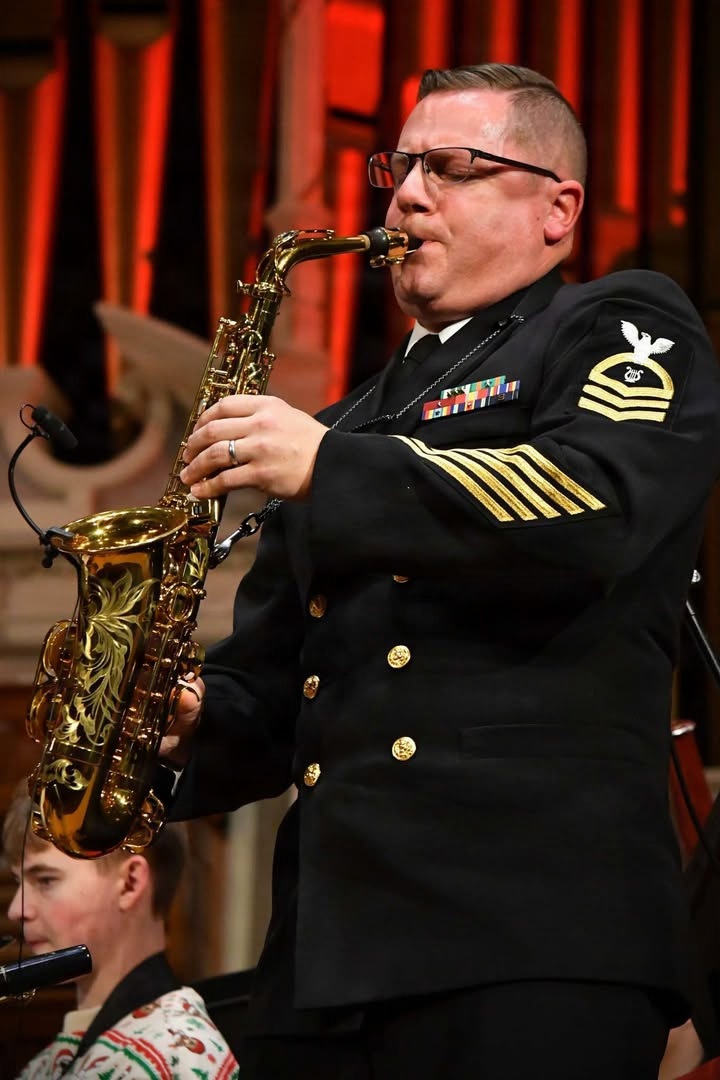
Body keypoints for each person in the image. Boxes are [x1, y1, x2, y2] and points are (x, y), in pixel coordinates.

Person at [166, 62, 720, 1078]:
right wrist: (193, 718)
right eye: (400, 166)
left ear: (558, 210)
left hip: (533, 943)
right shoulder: (345, 424)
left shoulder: (618, 323)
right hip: (326, 964)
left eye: (455, 167)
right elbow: (285, 686)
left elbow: (592, 500)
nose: (407, 194)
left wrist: (331, 469)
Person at [2, 783, 240, 1079]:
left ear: (130, 883)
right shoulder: (45, 1065)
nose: (16, 909)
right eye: (18, 881)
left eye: (46, 880)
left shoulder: (174, 1058)